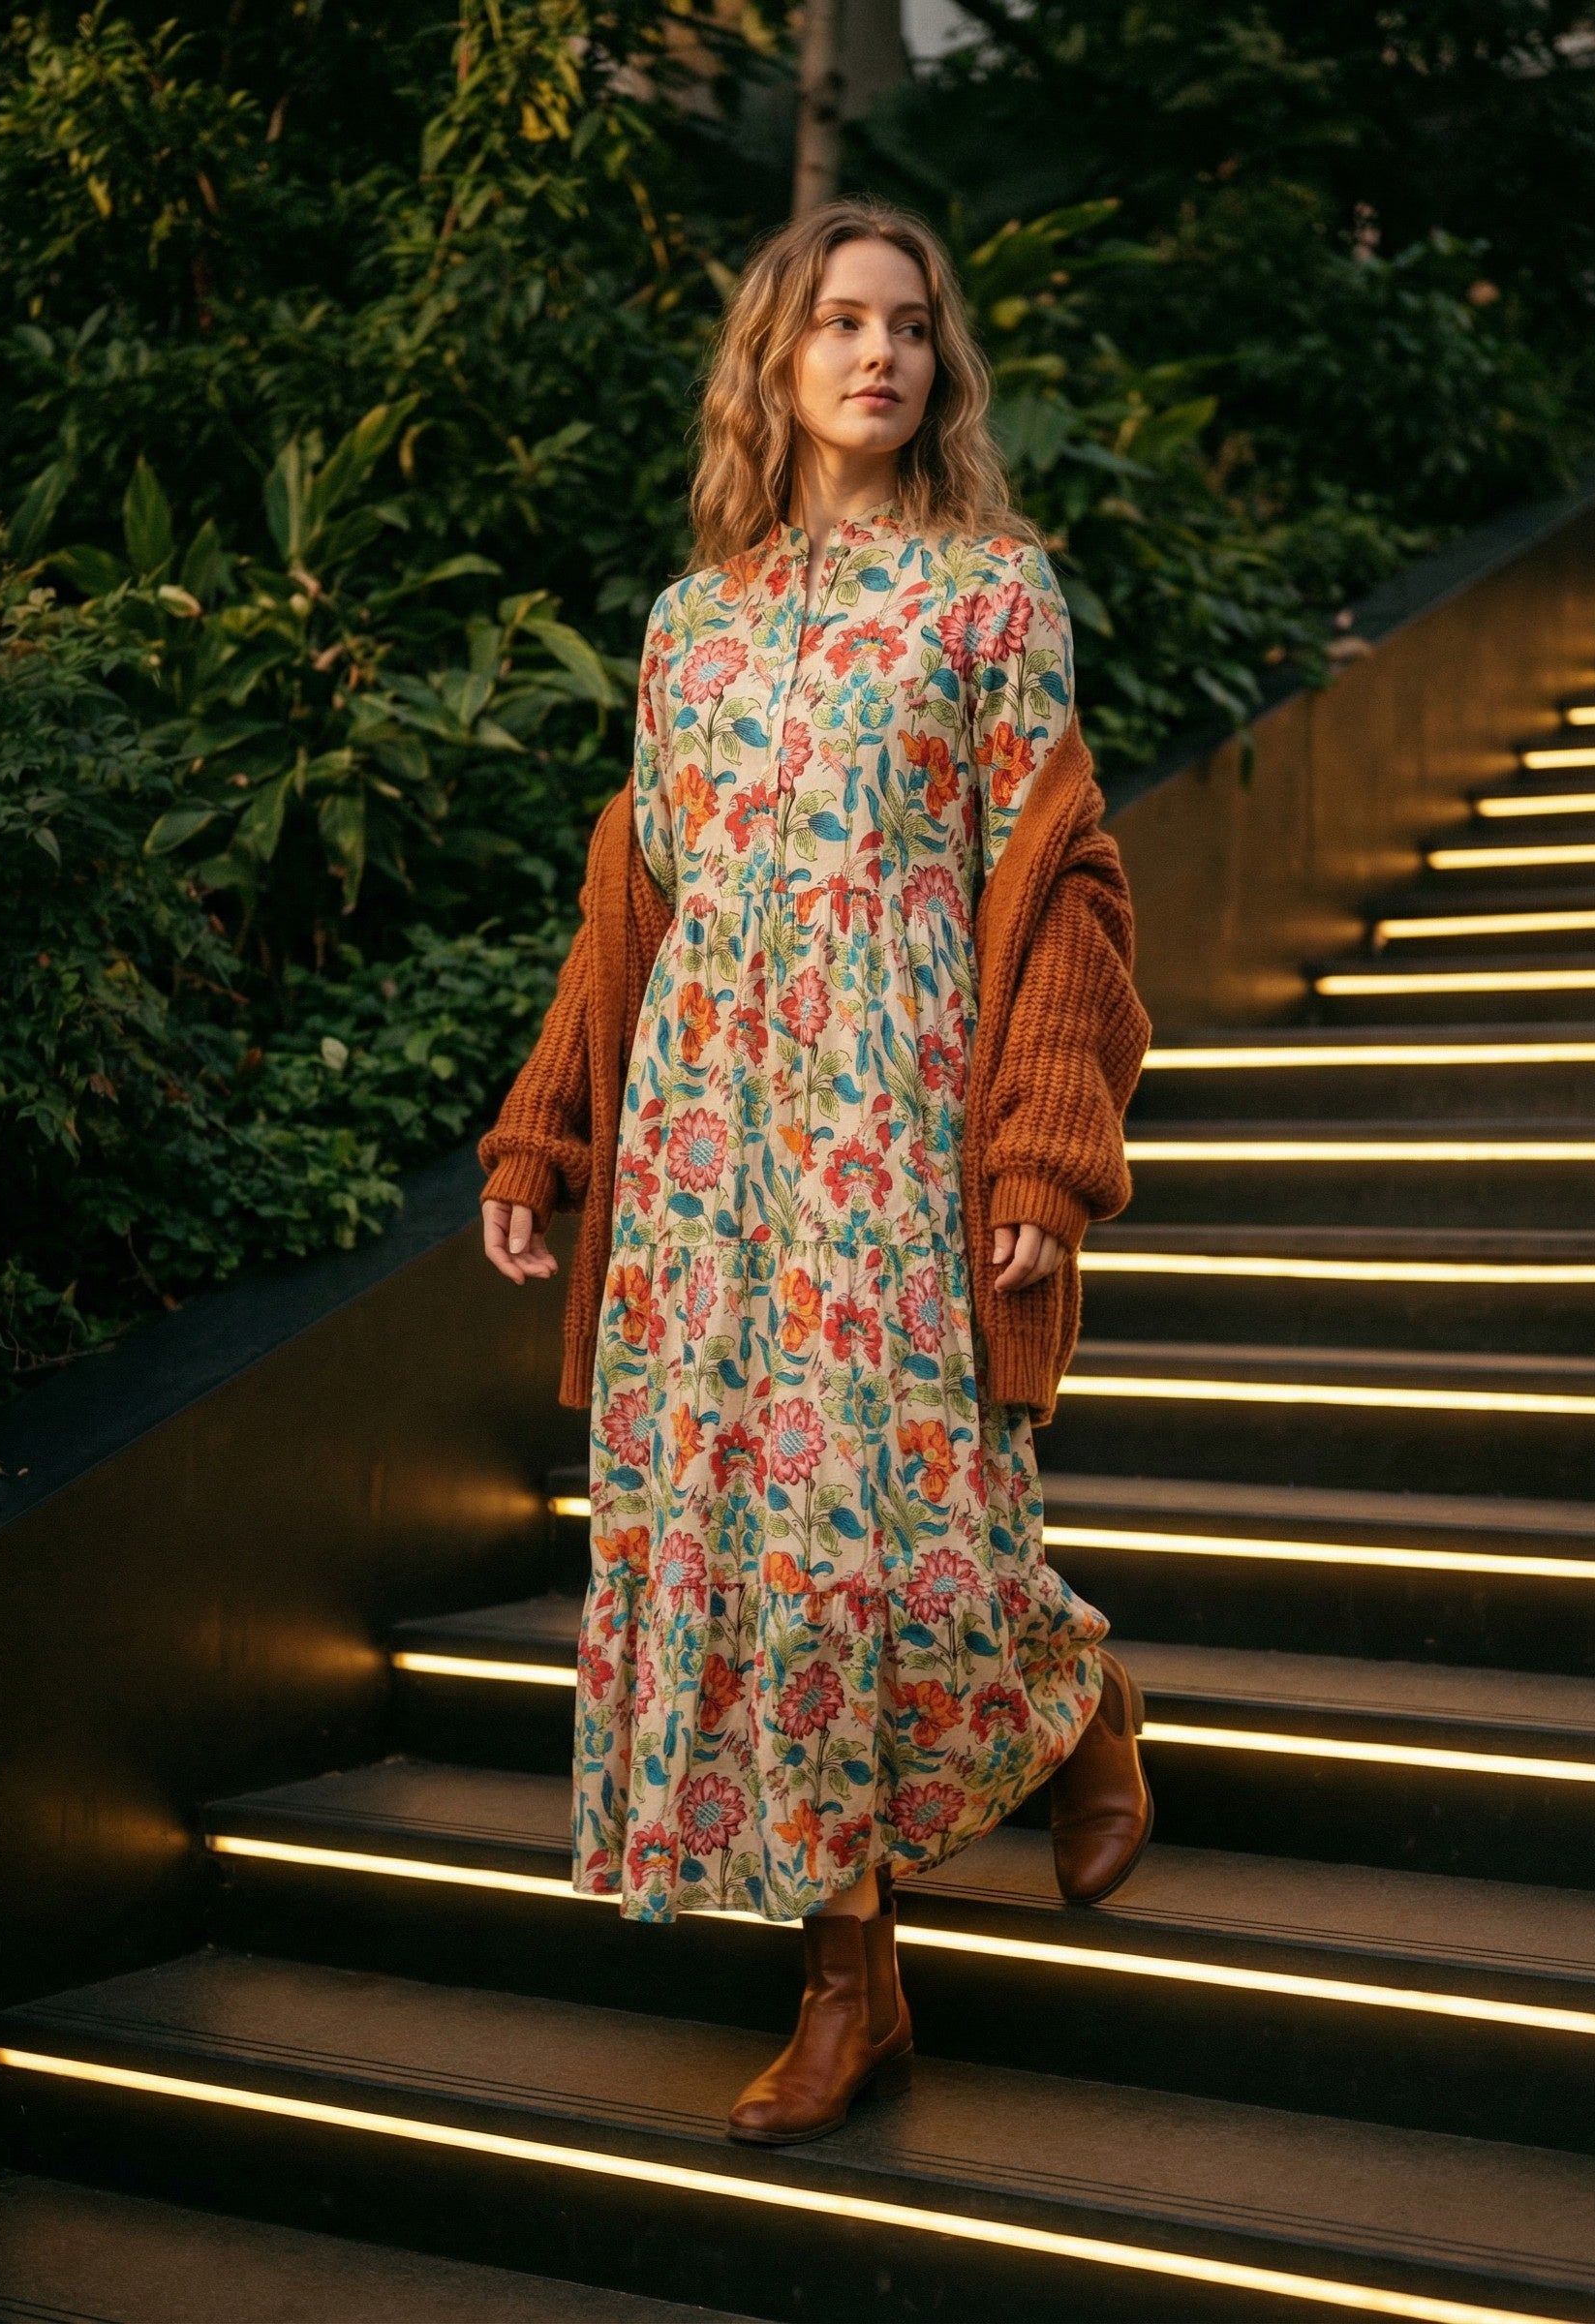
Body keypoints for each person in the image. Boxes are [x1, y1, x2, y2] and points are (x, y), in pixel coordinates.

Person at [477, 196, 1152, 2149]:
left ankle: (1075, 1695)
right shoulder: (689, 625)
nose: (878, 355)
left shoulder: (993, 595)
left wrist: (1037, 1143)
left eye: (910, 327)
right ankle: (846, 1981)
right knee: (756, 1572)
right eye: (839, 324)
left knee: (912, 1541)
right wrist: (551, 1128)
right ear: (771, 362)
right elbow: (634, 906)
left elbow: (1068, 889)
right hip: (708, 1148)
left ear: (940, 368)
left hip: (892, 1122)